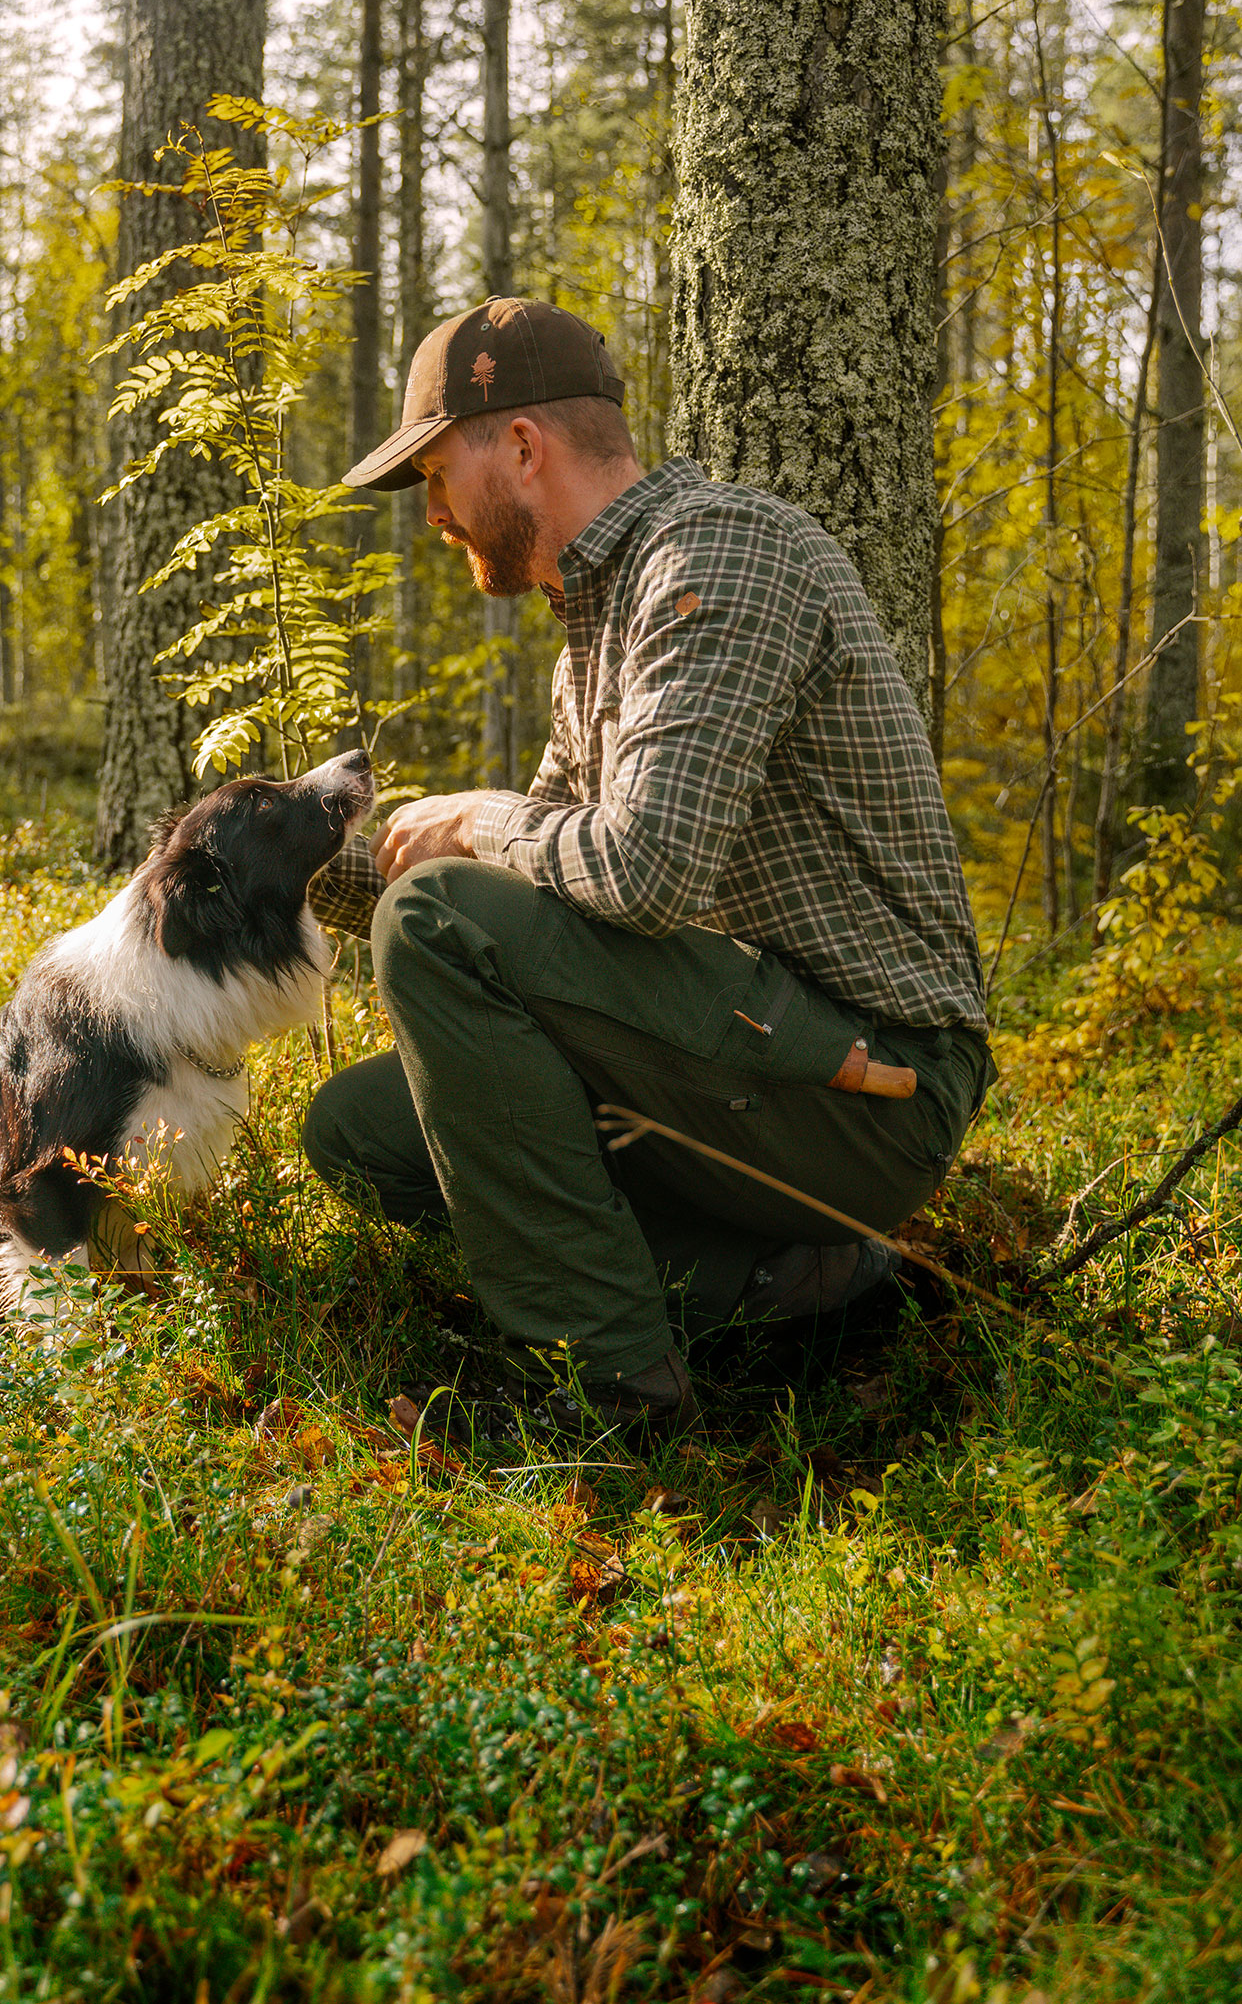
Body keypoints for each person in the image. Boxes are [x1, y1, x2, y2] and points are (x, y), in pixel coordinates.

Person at [301, 296, 993, 1437]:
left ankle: (611, 1396)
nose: (432, 514)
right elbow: (552, 893)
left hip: (877, 1088)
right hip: (734, 1051)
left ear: (520, 448)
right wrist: (299, 869)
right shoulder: (599, 620)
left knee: (436, 919)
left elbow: (643, 875)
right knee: (362, 1135)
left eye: (433, 475)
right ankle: (799, 1290)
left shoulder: (715, 558)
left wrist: (473, 820)